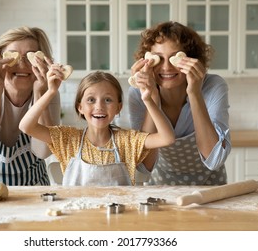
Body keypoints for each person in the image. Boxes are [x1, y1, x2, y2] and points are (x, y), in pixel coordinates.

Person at [19, 69, 175, 186]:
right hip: (78, 220)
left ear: (118, 107)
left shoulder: (127, 141)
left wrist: (148, 100)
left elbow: (167, 138)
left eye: (107, 100)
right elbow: (26, 126)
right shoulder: (67, 139)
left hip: (117, 220)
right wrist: (51, 91)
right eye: (91, 100)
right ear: (80, 107)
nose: (99, 106)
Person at [128, 21, 231, 186]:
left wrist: (195, 92)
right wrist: (152, 99)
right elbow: (144, 166)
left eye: (175, 58)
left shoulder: (213, 86)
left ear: (193, 59)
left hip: (210, 187)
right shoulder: (137, 93)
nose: (166, 67)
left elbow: (214, 159)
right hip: (161, 187)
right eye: (158, 59)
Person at [0, 26, 61, 185]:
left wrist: (40, 94)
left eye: (30, 57)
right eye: (13, 56)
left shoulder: (49, 93)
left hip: (33, 188)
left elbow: (43, 152)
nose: (21, 64)